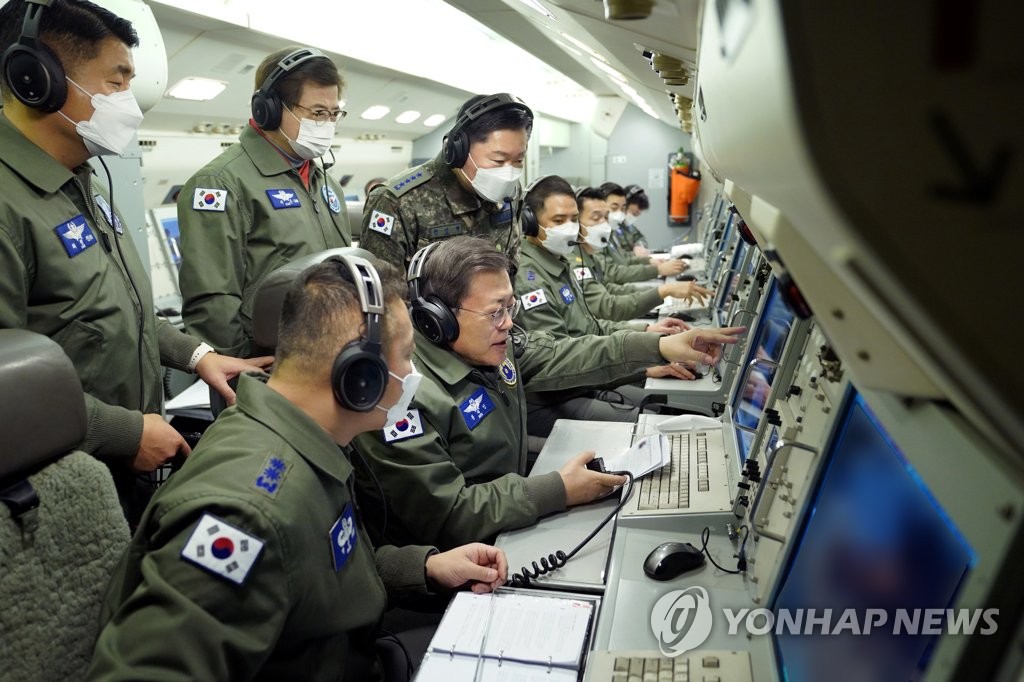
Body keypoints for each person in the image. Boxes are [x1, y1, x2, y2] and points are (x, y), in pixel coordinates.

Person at [88, 254, 507, 680]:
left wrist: (423, 569)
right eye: (407, 356)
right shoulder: (244, 515)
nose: (413, 373)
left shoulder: (304, 438)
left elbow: (311, 568)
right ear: (359, 375)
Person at [0, 0, 267, 523]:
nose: (130, 103)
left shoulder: (84, 178)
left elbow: (110, 305)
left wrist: (195, 355)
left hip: (122, 464)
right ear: (38, 80)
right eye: (117, 82)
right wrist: (125, 434)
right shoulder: (9, 204)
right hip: (55, 491)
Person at [351, 236, 744, 549]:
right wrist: (557, 489)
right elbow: (448, 514)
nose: (507, 324)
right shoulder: (402, 394)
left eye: (511, 307)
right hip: (464, 557)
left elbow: (566, 352)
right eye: (494, 312)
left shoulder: (493, 346)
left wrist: (656, 346)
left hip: (513, 512)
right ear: (437, 319)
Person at [177, 46, 352, 358]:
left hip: (331, 354)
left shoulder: (325, 183)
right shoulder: (222, 183)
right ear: (268, 108)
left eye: (333, 113)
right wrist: (237, 379)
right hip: (266, 366)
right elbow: (213, 302)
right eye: (316, 113)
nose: (327, 124)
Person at [359, 93, 533, 272]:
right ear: (460, 149)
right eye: (498, 160)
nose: (508, 172)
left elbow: (511, 266)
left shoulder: (511, 192)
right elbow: (385, 293)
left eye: (518, 160)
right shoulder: (396, 202)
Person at [571, 186, 712, 324]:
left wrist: (660, 290)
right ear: (575, 223)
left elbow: (609, 287)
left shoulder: (590, 253)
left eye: (606, 217)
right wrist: (662, 287)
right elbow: (609, 300)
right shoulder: (576, 262)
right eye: (596, 217)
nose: (604, 223)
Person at [596, 181, 683, 282]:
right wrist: (657, 270)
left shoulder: (612, 230)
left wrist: (648, 260)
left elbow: (625, 256)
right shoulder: (599, 235)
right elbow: (612, 273)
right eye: (614, 208)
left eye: (622, 208)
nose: (619, 214)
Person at [623, 183, 652, 256]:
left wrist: (639, 246)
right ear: (625, 203)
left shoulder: (628, 226)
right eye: (634, 213)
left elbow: (640, 237)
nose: (638, 213)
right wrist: (634, 254)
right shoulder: (612, 226)